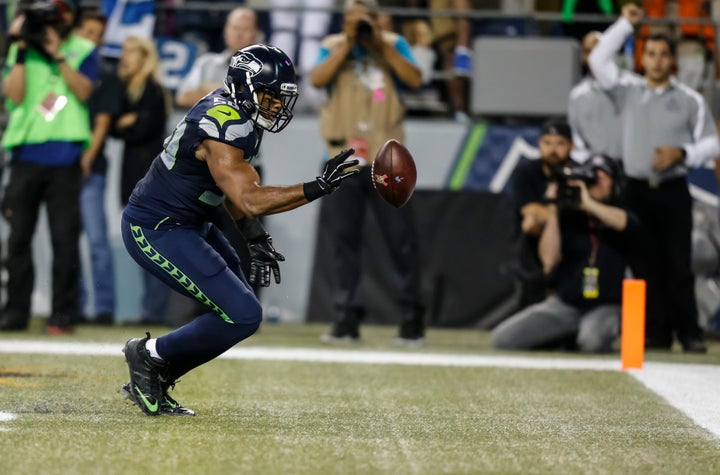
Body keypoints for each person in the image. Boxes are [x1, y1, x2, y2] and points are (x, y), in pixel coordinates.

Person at [120, 44, 359, 416]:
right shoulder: (223, 124)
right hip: (157, 227)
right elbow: (249, 198)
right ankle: (148, 355)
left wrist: (254, 237)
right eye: (269, 95)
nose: (277, 106)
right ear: (244, 86)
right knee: (243, 314)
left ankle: (154, 370)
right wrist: (318, 187)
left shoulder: (239, 114)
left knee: (239, 311)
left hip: (191, 223)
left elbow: (229, 191)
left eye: (281, 97)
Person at [589, 2, 720, 352]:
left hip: (673, 189)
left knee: (678, 264)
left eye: (663, 54)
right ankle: (655, 334)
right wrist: (624, 25)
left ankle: (690, 334)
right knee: (643, 266)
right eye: (651, 53)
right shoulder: (628, 89)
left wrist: (683, 154)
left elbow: (712, 142)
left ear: (672, 60)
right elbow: (597, 61)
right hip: (635, 189)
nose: (657, 60)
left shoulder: (689, 99)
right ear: (642, 58)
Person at [310, 0, 424, 346]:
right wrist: (347, 43)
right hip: (342, 155)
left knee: (399, 239)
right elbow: (317, 79)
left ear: (378, 19)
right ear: (344, 20)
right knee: (344, 239)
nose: (359, 24)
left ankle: (411, 317)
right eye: (352, 18)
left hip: (386, 157)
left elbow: (415, 80)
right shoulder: (332, 45)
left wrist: (379, 45)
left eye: (366, 18)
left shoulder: (393, 44)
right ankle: (346, 317)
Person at [0, 0, 98, 333]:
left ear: (70, 17)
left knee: (64, 240)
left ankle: (63, 315)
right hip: (26, 155)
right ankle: (15, 313)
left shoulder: (83, 48)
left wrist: (58, 54)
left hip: (66, 157)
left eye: (59, 12)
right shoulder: (22, 47)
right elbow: (13, 95)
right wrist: (23, 49)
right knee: (18, 240)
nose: (55, 19)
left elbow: (85, 92)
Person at [493, 155, 637, 353]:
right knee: (503, 339)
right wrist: (553, 208)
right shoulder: (569, 216)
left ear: (616, 183)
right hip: (566, 305)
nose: (598, 182)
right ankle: (566, 337)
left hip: (606, 305)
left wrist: (587, 202)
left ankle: (574, 338)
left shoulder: (622, 212)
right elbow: (549, 261)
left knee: (591, 342)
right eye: (593, 177)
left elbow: (624, 223)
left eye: (604, 177)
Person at [112, 35, 173, 326]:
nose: (125, 56)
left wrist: (129, 122)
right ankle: (150, 310)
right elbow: (115, 125)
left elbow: (143, 130)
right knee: (144, 248)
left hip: (149, 179)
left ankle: (154, 311)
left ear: (145, 55)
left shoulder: (153, 90)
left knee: (154, 248)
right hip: (135, 175)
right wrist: (126, 122)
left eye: (130, 50)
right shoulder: (129, 90)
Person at [75, 11, 121, 325]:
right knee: (67, 242)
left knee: (96, 241)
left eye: (98, 33)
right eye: (88, 31)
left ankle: (104, 308)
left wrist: (88, 157)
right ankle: (73, 305)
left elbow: (103, 121)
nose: (93, 38)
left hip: (90, 168)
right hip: (63, 165)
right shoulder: (65, 68)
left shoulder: (106, 72)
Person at [508, 120, 576, 309]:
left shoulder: (578, 173)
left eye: (559, 143)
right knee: (530, 223)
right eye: (547, 143)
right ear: (539, 144)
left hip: (573, 244)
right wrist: (558, 212)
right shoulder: (526, 172)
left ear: (571, 146)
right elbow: (529, 211)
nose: (553, 150)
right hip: (532, 248)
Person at [175, 7, 260, 109]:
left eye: (245, 29)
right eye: (235, 28)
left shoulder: (264, 70)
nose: (239, 34)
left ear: (255, 34)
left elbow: (259, 105)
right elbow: (183, 98)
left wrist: (214, 90)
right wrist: (236, 95)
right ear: (226, 31)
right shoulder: (206, 63)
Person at [567, 31, 624, 164]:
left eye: (599, 51)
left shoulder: (630, 88)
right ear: (582, 56)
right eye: (588, 52)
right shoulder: (577, 95)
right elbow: (576, 137)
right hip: (592, 166)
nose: (594, 57)